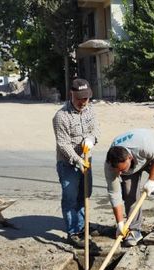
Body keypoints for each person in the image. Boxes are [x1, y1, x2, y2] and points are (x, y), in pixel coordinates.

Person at [104, 128, 154, 247]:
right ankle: (134, 229)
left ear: (129, 158)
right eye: (117, 171)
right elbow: (114, 194)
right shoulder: (110, 166)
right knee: (129, 192)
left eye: (122, 170)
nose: (119, 174)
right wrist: (120, 223)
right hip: (134, 161)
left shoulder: (146, 146)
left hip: (153, 157)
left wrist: (151, 180)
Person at [53, 78, 99, 248]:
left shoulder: (90, 110)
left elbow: (96, 129)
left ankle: (82, 225)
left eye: (86, 98)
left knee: (85, 194)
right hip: (68, 163)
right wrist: (78, 160)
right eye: (79, 98)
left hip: (87, 160)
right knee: (70, 198)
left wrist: (91, 139)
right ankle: (74, 232)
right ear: (71, 94)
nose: (83, 102)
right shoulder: (61, 116)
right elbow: (63, 144)